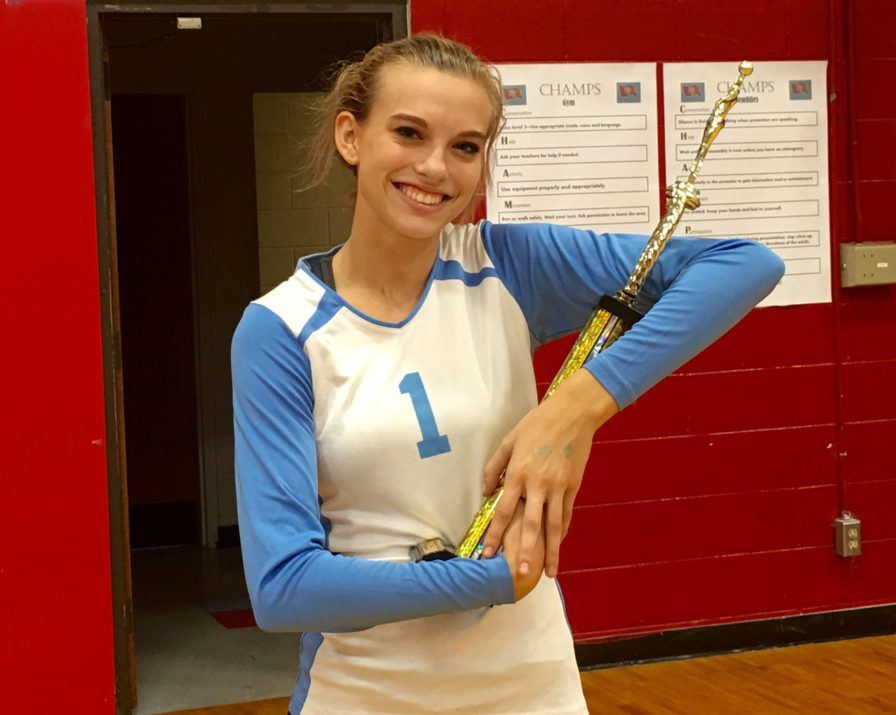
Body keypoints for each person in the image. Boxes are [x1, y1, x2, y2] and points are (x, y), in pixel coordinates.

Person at [231, 33, 784, 715]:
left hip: (531, 686)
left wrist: (574, 407)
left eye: (465, 146)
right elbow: (286, 587)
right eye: (409, 133)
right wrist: (490, 579)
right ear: (351, 136)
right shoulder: (281, 329)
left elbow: (745, 264)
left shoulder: (508, 265)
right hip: (365, 693)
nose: (435, 167)